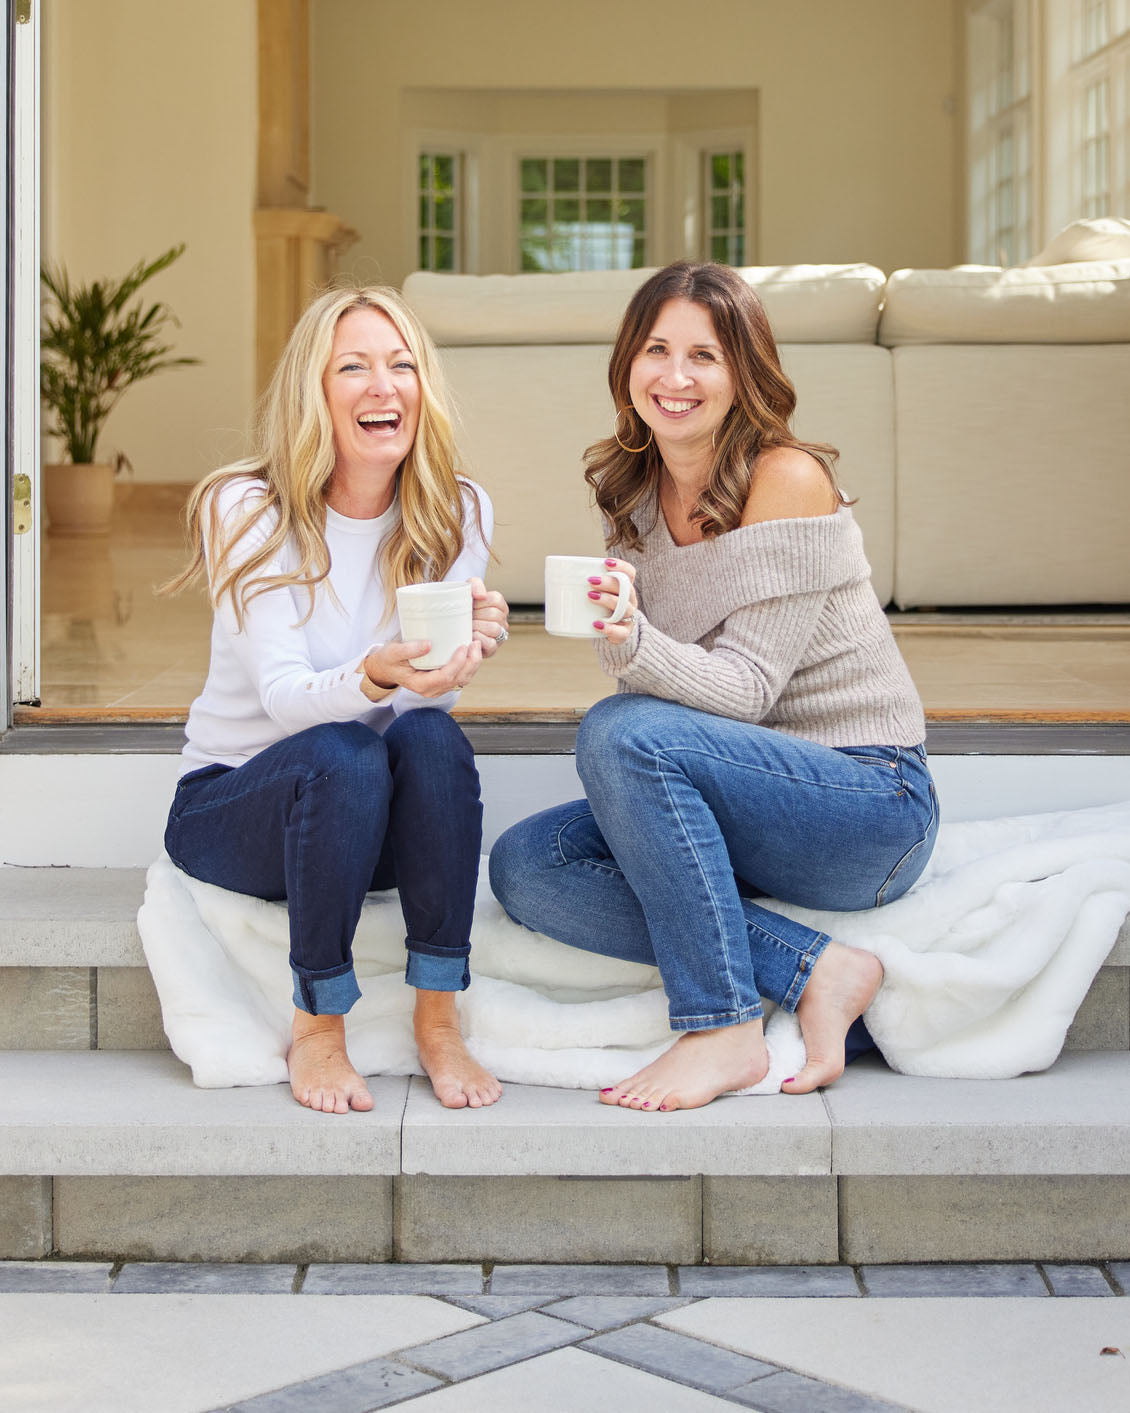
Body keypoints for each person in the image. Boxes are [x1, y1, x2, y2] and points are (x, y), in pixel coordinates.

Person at [489, 261, 938, 1112]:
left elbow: (744, 691)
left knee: (619, 733)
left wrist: (634, 642)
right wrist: (622, 635)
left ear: (744, 373)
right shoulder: (635, 493)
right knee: (527, 864)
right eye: (656, 349)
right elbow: (661, 679)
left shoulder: (787, 477)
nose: (676, 375)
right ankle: (817, 968)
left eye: (705, 355)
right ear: (628, 364)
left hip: (868, 802)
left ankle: (724, 1023)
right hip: (746, 795)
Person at [163, 285, 508, 1114]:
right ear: (313, 392)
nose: (381, 386)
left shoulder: (457, 508)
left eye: (400, 365)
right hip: (236, 808)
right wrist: (377, 673)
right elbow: (285, 700)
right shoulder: (245, 507)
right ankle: (316, 1025)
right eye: (352, 367)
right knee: (342, 748)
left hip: (362, 819)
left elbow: (433, 700)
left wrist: (463, 653)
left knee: (431, 742)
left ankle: (438, 1016)